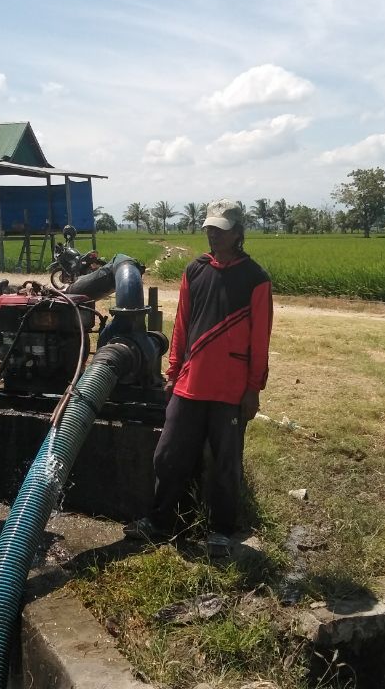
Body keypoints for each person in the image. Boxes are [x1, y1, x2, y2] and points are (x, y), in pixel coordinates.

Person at [125, 198, 273, 557]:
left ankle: (222, 530)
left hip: (230, 390)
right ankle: (161, 521)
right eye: (209, 229)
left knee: (226, 462)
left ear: (238, 233)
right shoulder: (195, 271)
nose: (213, 236)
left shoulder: (255, 279)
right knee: (168, 454)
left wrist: (253, 389)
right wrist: (173, 373)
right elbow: (181, 325)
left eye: (220, 230)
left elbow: (260, 340)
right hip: (190, 383)